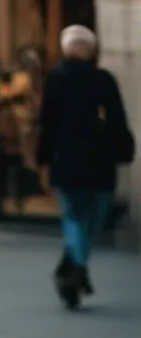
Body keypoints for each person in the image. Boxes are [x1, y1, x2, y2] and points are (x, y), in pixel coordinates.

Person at [37, 24, 134, 309]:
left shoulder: (57, 79)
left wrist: (44, 156)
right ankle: (75, 270)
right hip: (98, 159)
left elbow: (47, 123)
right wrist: (123, 149)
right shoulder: (101, 79)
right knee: (90, 217)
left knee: (77, 217)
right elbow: (117, 119)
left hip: (68, 158)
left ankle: (72, 269)